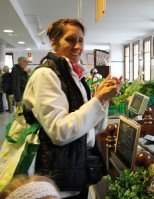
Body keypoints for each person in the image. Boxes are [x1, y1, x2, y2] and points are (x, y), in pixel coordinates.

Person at [22, 18, 122, 198]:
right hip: (59, 179)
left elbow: (95, 128)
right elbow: (60, 132)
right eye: (70, 39)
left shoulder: (75, 76)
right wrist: (99, 99)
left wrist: (102, 99)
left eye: (81, 40)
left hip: (77, 169)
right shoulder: (46, 75)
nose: (78, 46)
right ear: (54, 42)